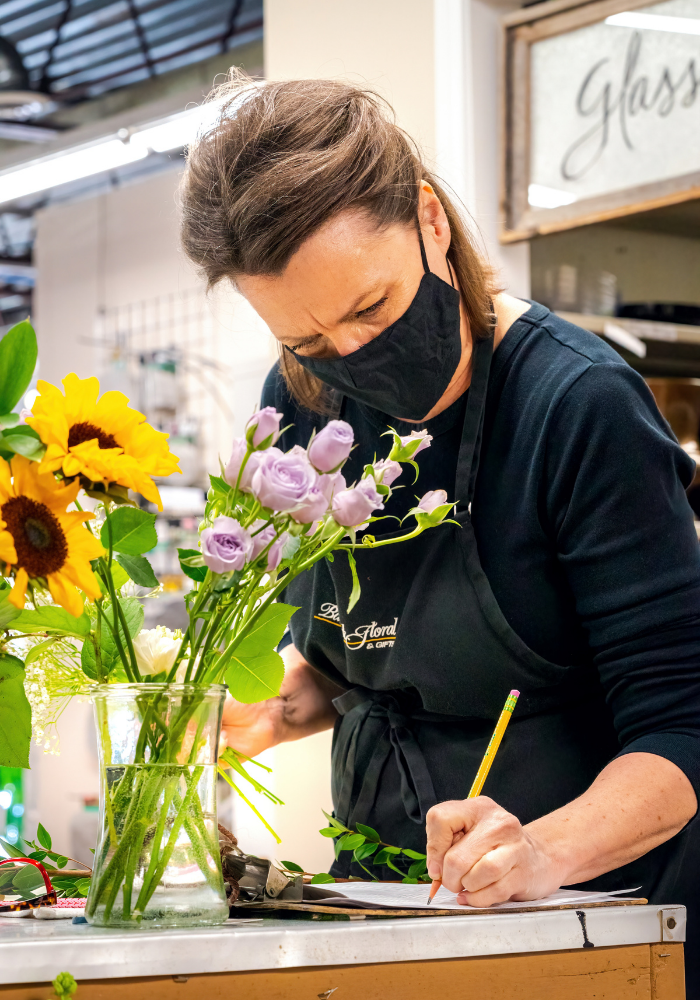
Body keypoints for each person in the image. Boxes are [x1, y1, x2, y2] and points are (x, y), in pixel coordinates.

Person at [181, 74, 700, 989]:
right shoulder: (301, 406)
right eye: (305, 340)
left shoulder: (578, 408)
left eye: (372, 310)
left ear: (428, 220)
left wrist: (537, 853)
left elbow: (683, 725)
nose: (348, 359)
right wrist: (257, 714)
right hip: (384, 911)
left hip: (585, 924)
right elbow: (352, 662)